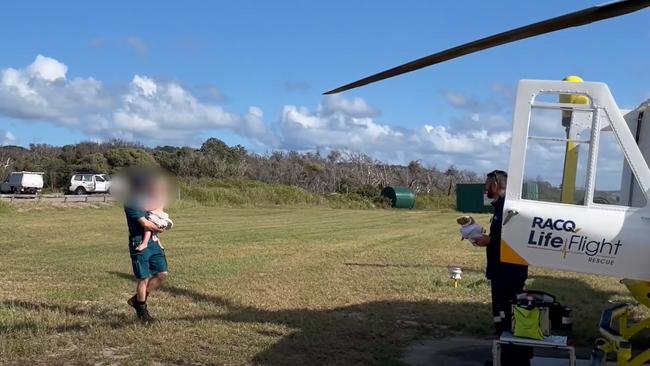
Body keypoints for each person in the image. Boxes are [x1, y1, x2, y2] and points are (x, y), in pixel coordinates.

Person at [474, 170, 532, 366]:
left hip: (508, 272)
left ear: (496, 185)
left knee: (507, 315)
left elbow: (511, 240)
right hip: (501, 271)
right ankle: (504, 356)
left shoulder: (509, 209)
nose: (485, 188)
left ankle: (510, 359)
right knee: (501, 315)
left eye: (487, 184)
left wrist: (488, 241)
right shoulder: (500, 208)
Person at [123, 173, 169, 323]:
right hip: (139, 242)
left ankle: (137, 300)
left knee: (162, 274)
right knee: (144, 278)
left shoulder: (146, 200)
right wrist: (161, 228)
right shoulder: (131, 202)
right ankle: (142, 311)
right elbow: (146, 224)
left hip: (154, 241)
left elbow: (155, 212)